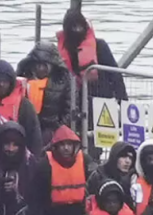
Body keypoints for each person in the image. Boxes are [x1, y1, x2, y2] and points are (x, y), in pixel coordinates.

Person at [57, 7, 128, 161]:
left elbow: (115, 75)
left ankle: (93, 166)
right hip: (72, 105)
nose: (77, 30)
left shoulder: (100, 46)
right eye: (73, 27)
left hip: (99, 103)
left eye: (80, 26)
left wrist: (124, 105)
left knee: (95, 142)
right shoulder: (61, 51)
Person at [16, 42, 72, 145]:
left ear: (52, 66)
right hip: (27, 126)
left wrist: (58, 129)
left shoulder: (63, 81)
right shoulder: (22, 79)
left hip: (51, 128)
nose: (40, 69)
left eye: (44, 66)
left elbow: (69, 109)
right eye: (37, 65)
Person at [0, 60, 43, 155]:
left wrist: (35, 160)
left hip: (18, 154)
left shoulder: (25, 106)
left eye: (5, 81)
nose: (1, 84)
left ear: (11, 83)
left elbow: (34, 136)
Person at [86, 141, 137, 209]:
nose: (127, 161)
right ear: (115, 157)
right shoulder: (98, 176)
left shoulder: (130, 180)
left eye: (131, 158)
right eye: (123, 156)